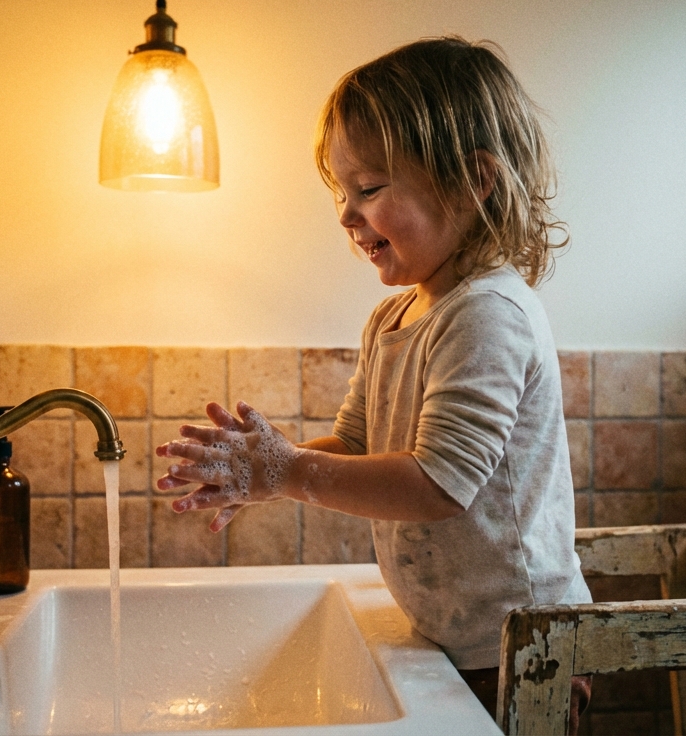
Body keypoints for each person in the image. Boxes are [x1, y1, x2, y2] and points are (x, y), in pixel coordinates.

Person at [156, 36, 592, 733]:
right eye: (341, 191)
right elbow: (357, 443)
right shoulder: (396, 315)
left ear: (473, 180)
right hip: (462, 636)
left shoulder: (488, 313)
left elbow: (437, 485)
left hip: (524, 648)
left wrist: (290, 471)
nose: (345, 214)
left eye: (369, 189)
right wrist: (265, 471)